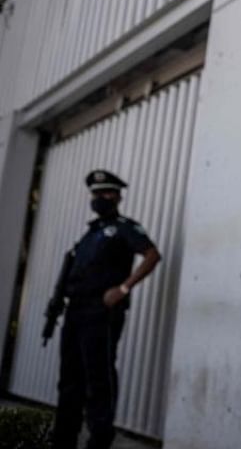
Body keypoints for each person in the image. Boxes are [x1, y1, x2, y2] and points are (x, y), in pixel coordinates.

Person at [51, 170, 162, 449]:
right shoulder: (89, 234)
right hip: (76, 312)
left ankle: (99, 441)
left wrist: (123, 289)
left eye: (107, 192)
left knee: (98, 379)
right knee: (69, 380)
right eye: (96, 194)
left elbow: (152, 255)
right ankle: (64, 439)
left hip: (101, 314)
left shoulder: (124, 227)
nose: (101, 198)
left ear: (118, 196)